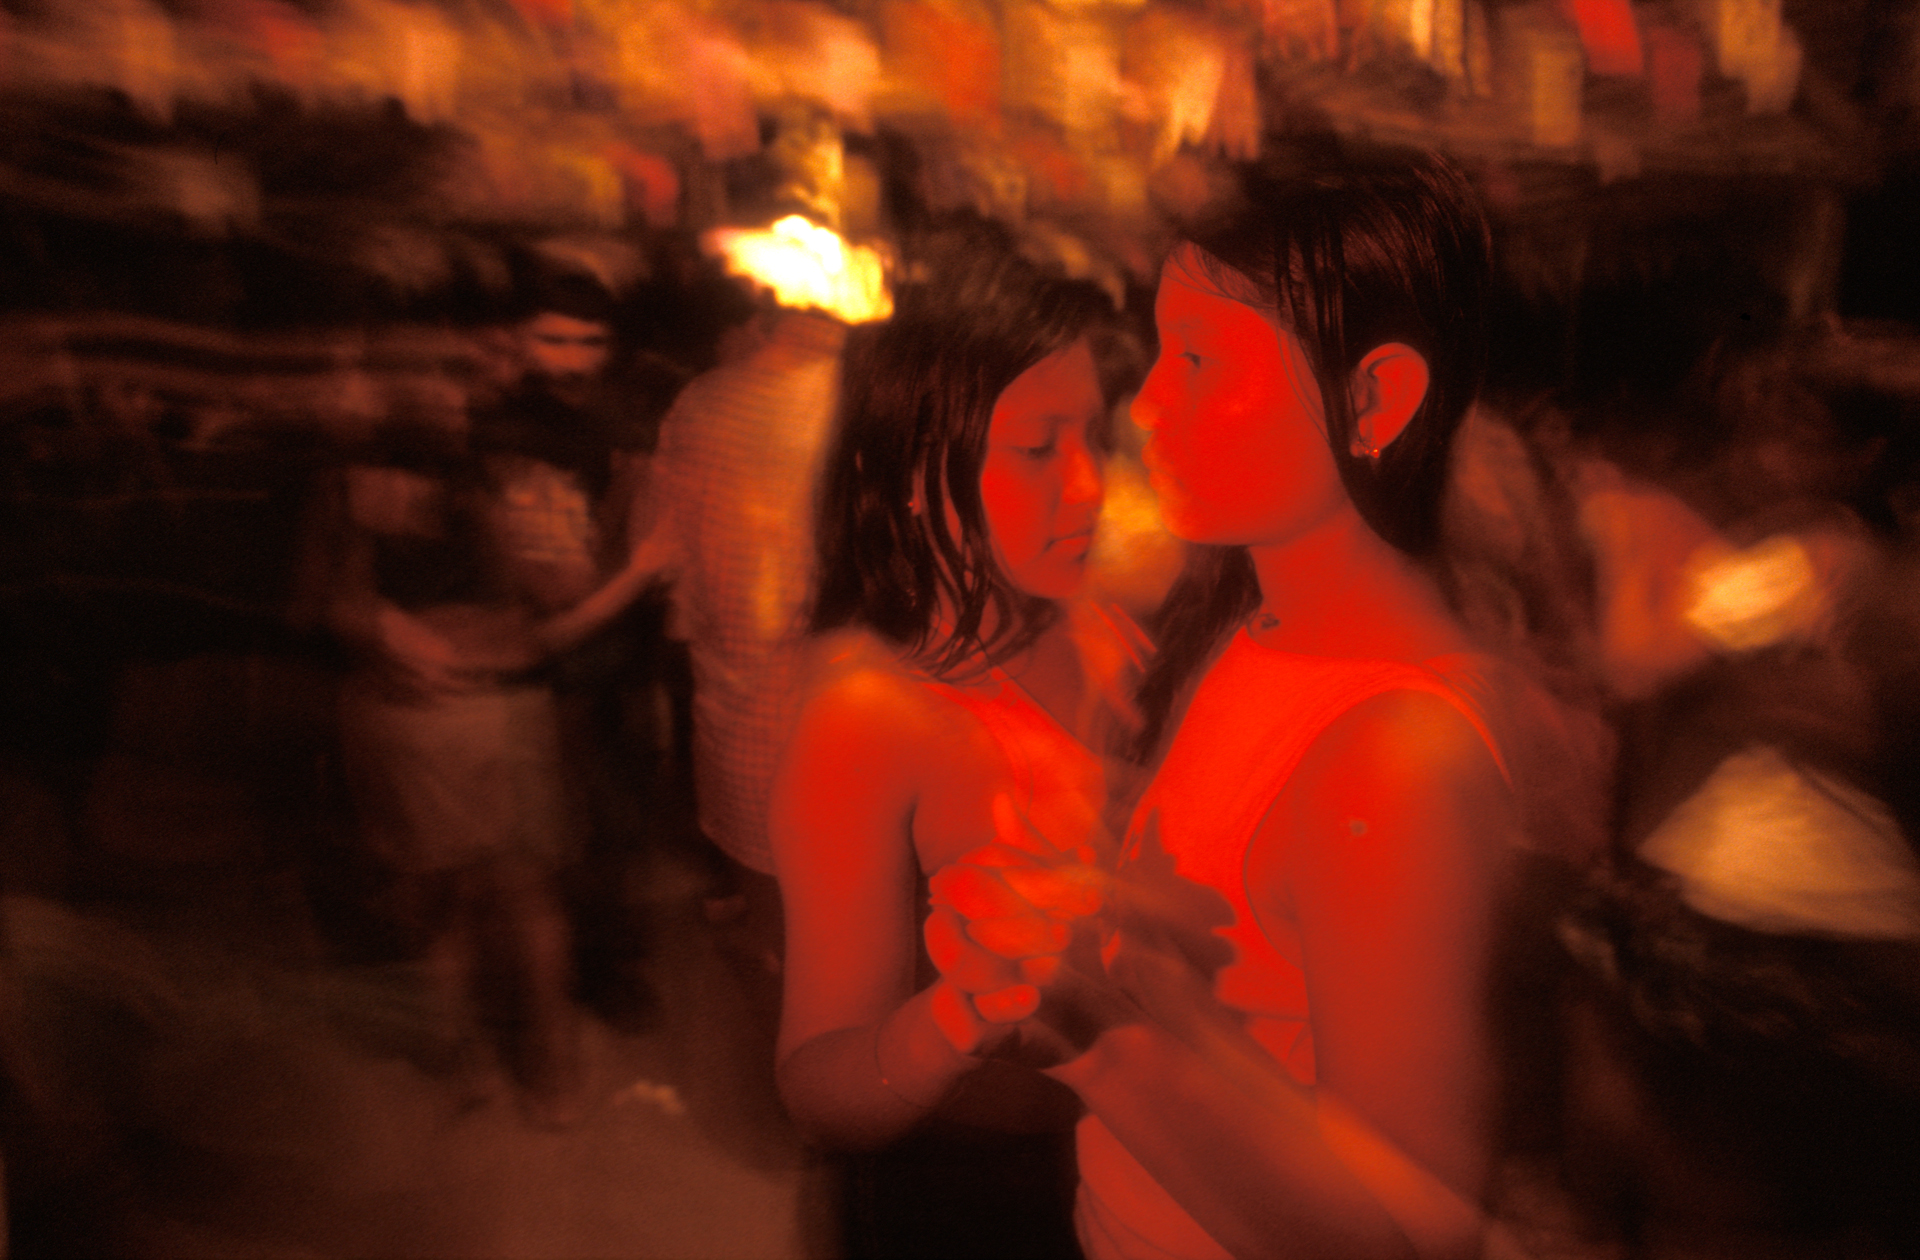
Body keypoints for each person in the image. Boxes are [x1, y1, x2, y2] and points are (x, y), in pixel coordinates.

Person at [921, 146, 1528, 1260]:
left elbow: (1416, 1236)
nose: (1146, 403)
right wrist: (1110, 935)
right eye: (1162, 351)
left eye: (1198, 357)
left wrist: (1096, 1032)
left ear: (1374, 400)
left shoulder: (1388, 763)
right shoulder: (1253, 627)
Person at [766, 224, 1147, 1260]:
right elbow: (818, 1087)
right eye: (1036, 449)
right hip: (970, 1193)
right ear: (906, 471)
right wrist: (962, 1010)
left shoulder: (1082, 616)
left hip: (1128, 1159)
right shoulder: (872, 714)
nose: (1088, 486)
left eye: (1095, 439)